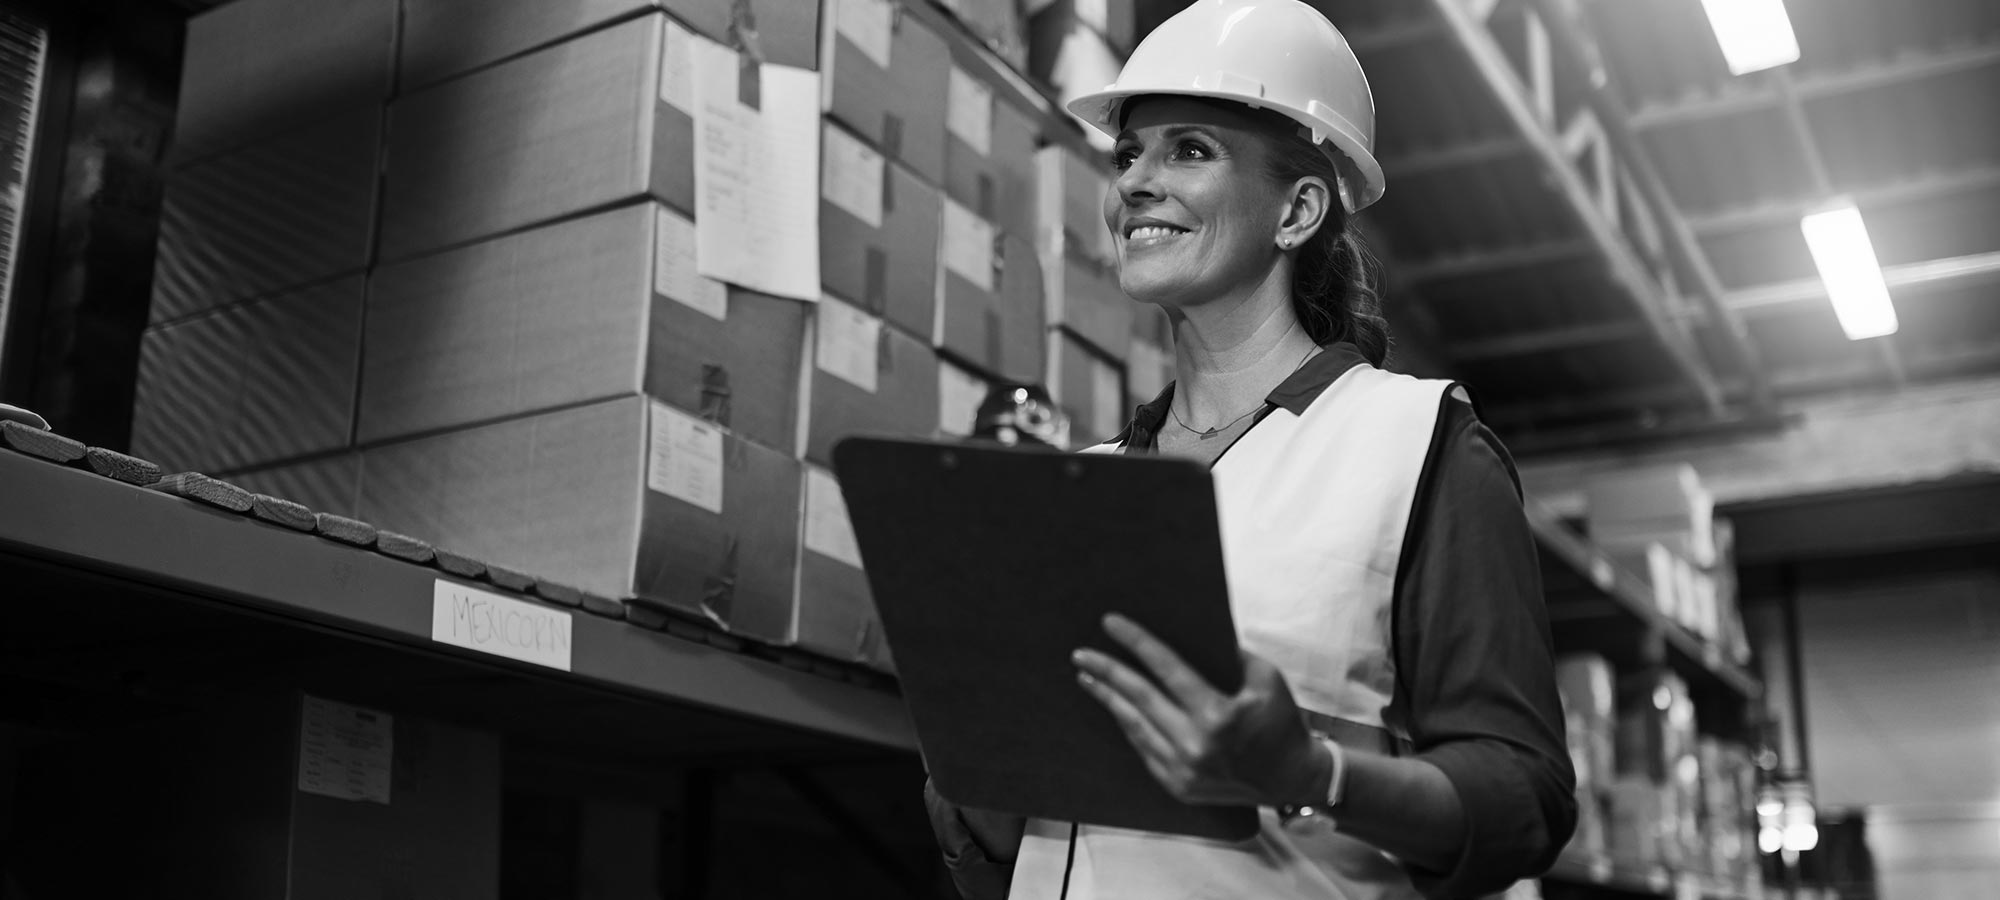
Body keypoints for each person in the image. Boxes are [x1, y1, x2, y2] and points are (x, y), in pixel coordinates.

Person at [922, 1, 1578, 898]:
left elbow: (1526, 803)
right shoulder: (1086, 483)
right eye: (1128, 155)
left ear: (1298, 209)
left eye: (1188, 150)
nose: (1134, 185)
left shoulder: (1417, 444)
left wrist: (1309, 774)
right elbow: (1020, 850)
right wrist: (978, 785)